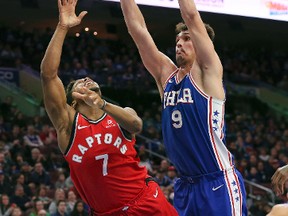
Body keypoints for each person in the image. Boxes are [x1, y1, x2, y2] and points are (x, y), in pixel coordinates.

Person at [40, 0, 178, 215]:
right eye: (79, 82)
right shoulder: (68, 123)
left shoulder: (120, 113)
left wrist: (102, 104)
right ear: (73, 100)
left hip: (145, 203)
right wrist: (62, 27)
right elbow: (48, 76)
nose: (85, 79)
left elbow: (136, 125)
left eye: (88, 79)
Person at [120, 0, 247, 215]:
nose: (179, 43)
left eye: (187, 39)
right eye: (178, 39)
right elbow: (137, 30)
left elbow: (191, 15)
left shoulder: (208, 71)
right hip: (185, 185)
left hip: (216, 180)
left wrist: (192, 27)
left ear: (200, 43)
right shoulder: (165, 75)